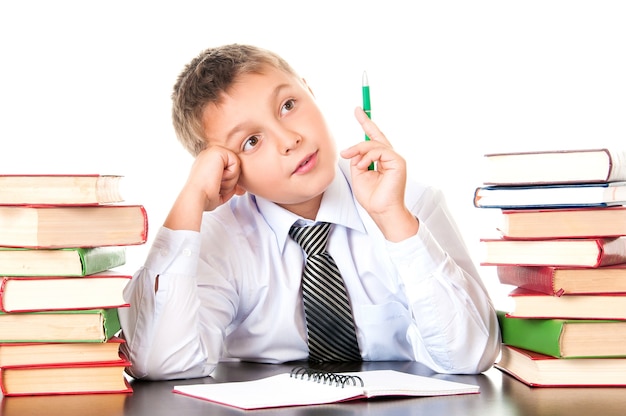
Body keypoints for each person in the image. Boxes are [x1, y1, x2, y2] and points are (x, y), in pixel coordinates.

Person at [119, 43, 500, 380]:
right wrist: (190, 200)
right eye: (251, 141)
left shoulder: (406, 202)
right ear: (226, 171)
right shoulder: (221, 236)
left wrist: (393, 220)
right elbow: (160, 362)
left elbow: (471, 354)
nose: (290, 140)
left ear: (311, 91)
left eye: (287, 106)